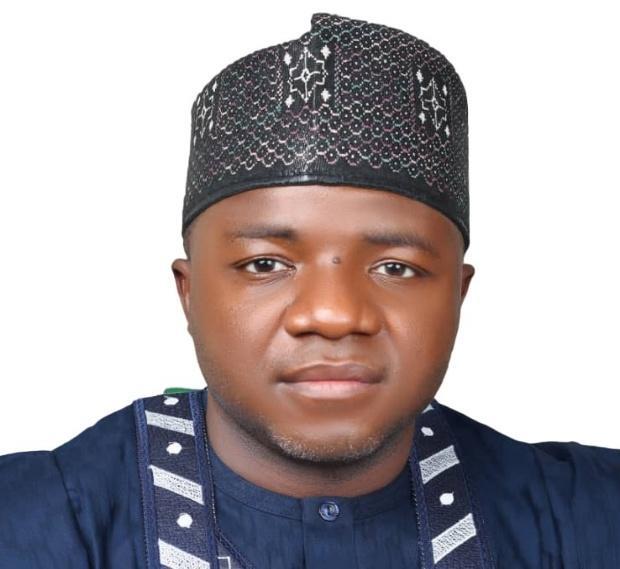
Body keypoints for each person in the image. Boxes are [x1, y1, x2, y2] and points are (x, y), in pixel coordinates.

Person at [1, 11, 618, 569]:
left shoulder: (585, 514)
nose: (332, 314)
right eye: (266, 264)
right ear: (189, 294)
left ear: (458, 294)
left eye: (396, 268)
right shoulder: (38, 521)